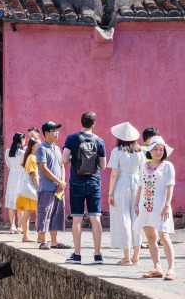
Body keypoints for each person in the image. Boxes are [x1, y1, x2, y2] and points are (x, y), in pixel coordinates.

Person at [61, 111, 107, 263]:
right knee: (95, 218)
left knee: (77, 219)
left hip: (76, 182)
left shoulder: (72, 139)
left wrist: (74, 157)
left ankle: (77, 255)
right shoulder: (99, 141)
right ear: (94, 123)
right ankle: (98, 255)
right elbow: (103, 165)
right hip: (94, 182)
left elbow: (64, 160)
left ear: (81, 122)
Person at [134, 137, 176, 280]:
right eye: (155, 149)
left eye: (161, 149)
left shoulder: (167, 166)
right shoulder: (144, 166)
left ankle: (171, 269)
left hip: (160, 206)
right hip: (145, 207)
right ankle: (157, 267)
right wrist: (136, 202)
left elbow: (170, 186)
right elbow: (140, 185)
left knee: (164, 236)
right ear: (149, 151)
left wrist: (167, 205)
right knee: (150, 237)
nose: (158, 152)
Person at [107, 122, 144, 265]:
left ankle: (126, 257)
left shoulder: (117, 151)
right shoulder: (140, 151)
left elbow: (114, 174)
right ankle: (136, 257)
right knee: (136, 219)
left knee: (124, 219)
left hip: (122, 184)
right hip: (136, 183)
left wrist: (110, 193)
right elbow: (142, 171)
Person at [35, 121, 71, 250]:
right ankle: (43, 241)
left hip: (58, 188)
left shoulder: (56, 148)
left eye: (58, 130)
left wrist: (62, 181)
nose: (57, 133)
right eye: (54, 131)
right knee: (45, 213)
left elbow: (62, 165)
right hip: (46, 187)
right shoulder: (41, 148)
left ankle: (55, 241)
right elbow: (43, 169)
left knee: (57, 213)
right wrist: (58, 181)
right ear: (46, 133)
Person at [17, 136, 41, 243]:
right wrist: (39, 189)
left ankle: (25, 236)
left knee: (27, 214)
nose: (40, 146)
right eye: (38, 144)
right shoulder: (32, 158)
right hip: (33, 189)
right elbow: (34, 175)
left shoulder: (31, 157)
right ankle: (40, 236)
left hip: (29, 190)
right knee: (39, 213)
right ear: (33, 146)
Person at [4, 132, 26, 233]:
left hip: (12, 177)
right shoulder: (22, 153)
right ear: (22, 140)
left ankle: (12, 226)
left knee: (11, 203)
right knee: (20, 204)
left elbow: (8, 165)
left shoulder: (8, 151)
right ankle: (19, 226)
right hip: (21, 177)